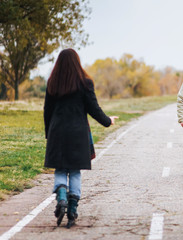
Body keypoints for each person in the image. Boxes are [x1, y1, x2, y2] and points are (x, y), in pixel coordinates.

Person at [44, 48, 118, 228]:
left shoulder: (53, 82)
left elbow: (47, 110)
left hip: (57, 132)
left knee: (61, 169)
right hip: (78, 133)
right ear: (77, 62)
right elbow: (93, 108)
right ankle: (72, 209)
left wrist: (49, 133)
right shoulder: (85, 82)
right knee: (75, 171)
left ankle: (61, 196)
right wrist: (108, 121)